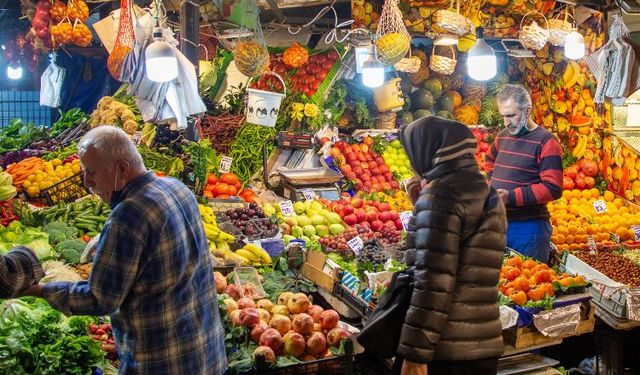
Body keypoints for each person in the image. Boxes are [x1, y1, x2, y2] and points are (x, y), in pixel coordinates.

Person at [21, 126, 227, 375]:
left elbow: (100, 299)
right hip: (207, 353)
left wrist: (39, 289)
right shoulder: (177, 188)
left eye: (92, 172)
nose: (87, 182)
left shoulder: (128, 216)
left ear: (122, 169)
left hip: (163, 362)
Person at [396, 116, 507, 375]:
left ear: (426, 151)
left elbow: (433, 281)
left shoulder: (440, 195)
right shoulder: (486, 191)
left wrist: (415, 354)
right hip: (484, 343)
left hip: (444, 349)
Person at [485, 84, 563, 262]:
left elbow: (553, 188)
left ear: (527, 111)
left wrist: (511, 196)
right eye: (503, 116)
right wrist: (493, 181)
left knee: (529, 282)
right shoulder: (503, 136)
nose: (506, 122)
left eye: (511, 115)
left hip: (529, 228)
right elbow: (489, 159)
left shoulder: (546, 142)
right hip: (498, 223)